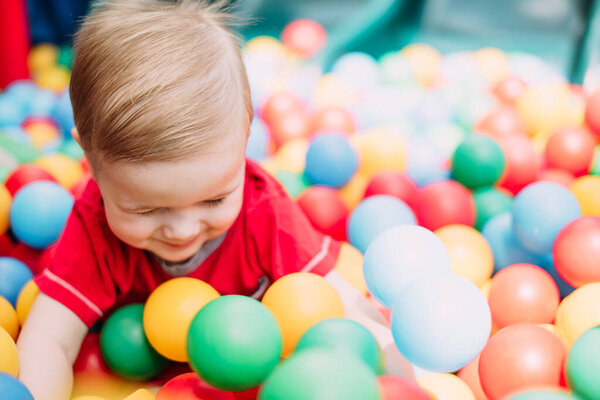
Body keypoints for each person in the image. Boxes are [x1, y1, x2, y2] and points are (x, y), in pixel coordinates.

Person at [16, 1, 401, 399]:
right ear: (90, 163)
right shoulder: (94, 222)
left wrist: (400, 377)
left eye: (215, 200)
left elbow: (341, 306)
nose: (182, 231)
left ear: (245, 136)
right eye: (146, 209)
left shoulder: (261, 206)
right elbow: (49, 338)